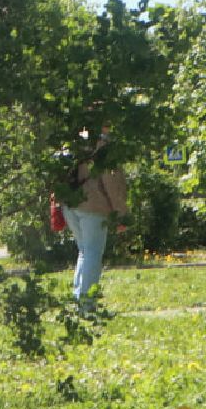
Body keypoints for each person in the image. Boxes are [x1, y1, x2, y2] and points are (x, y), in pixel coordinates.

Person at [60, 130, 127, 307]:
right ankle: (87, 304)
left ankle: (78, 298)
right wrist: (120, 213)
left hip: (70, 203)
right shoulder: (102, 145)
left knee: (84, 251)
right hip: (92, 204)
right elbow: (110, 181)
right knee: (92, 253)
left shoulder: (74, 140)